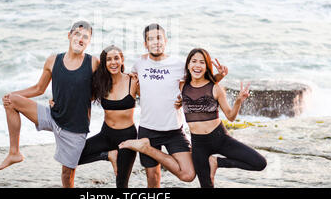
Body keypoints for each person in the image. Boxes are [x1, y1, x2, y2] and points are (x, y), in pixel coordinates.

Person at [119, 24, 228, 188]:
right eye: (150, 39)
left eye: (159, 38)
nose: (156, 42)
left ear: (165, 40)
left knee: (189, 174)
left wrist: (218, 76)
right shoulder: (139, 64)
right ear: (145, 44)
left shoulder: (178, 64)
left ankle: (146, 149)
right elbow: (135, 88)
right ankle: (147, 147)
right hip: (148, 128)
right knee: (153, 179)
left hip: (174, 130)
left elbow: (199, 85)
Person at [0, 21, 100, 188]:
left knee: (67, 175)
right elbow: (39, 88)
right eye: (77, 34)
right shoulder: (53, 60)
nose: (80, 39)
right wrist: (13, 95)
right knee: (11, 101)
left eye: (85, 37)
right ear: (69, 35)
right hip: (52, 116)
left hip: (75, 129)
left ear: (89, 42)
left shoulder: (93, 63)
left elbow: (101, 90)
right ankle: (14, 153)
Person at [178, 48, 267, 187]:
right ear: (188, 65)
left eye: (202, 62)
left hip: (220, 138)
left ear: (207, 67)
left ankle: (217, 162)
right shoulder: (182, 86)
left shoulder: (215, 88)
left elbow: (230, 117)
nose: (197, 65)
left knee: (260, 163)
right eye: (193, 61)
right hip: (198, 144)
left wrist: (238, 101)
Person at [74, 45, 139, 188]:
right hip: (106, 134)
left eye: (116, 58)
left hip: (127, 137)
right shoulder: (100, 83)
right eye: (108, 59)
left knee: (121, 184)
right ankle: (108, 155)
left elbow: (152, 100)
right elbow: (80, 97)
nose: (113, 62)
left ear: (122, 60)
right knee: (72, 156)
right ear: (104, 63)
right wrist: (56, 100)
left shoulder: (133, 81)